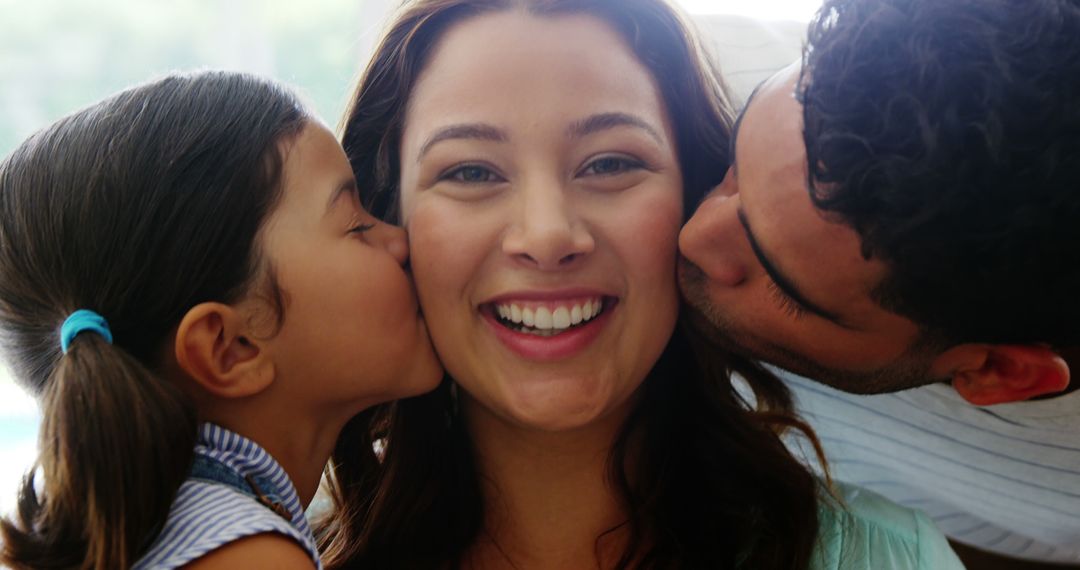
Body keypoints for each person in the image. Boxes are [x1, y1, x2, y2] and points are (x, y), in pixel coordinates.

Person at [314, 0, 964, 568]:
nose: (547, 236)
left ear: (693, 193)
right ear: (387, 224)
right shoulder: (255, 552)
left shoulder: (888, 558)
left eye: (610, 162)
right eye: (472, 173)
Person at [677, 0, 1080, 566]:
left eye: (780, 284)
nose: (692, 236)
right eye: (733, 167)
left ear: (997, 372)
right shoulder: (684, 72)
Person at [0, 71, 441, 569]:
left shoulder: (165, 526)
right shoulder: (250, 556)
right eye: (357, 225)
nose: (400, 240)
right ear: (230, 348)